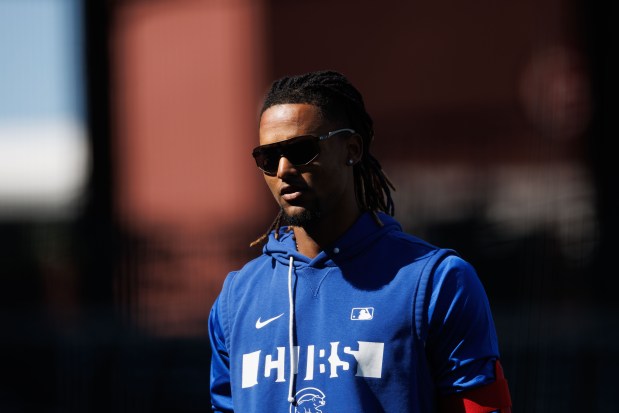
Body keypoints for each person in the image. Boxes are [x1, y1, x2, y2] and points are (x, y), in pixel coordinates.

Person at [208, 70, 512, 413]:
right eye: (267, 157)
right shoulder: (237, 299)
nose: (283, 170)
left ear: (351, 149)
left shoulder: (436, 282)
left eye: (301, 150)